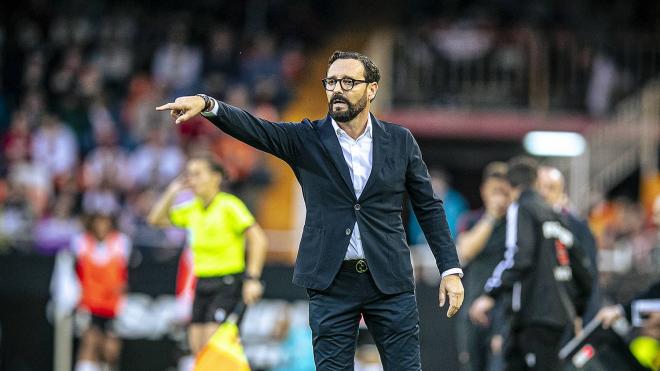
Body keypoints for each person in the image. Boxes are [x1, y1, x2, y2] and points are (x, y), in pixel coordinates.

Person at [156, 50, 464, 370]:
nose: (337, 90)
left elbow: (428, 206)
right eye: (331, 82)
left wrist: (450, 269)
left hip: (390, 278)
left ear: (372, 89)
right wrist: (209, 105)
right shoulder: (307, 138)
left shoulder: (400, 141)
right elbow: (256, 129)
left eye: (348, 82)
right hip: (331, 283)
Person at [469, 157, 592, 371]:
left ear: (509, 186)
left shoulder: (523, 208)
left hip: (534, 315)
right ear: (535, 181)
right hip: (559, 316)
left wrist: (490, 294)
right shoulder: (556, 216)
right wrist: (578, 312)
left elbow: (519, 257)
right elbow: (583, 270)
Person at [147, 156, 268, 356]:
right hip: (202, 283)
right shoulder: (192, 209)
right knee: (198, 350)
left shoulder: (229, 206)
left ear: (216, 177)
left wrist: (252, 279)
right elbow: (155, 220)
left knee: (216, 349)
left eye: (197, 174)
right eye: (189, 175)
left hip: (227, 283)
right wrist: (172, 191)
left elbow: (258, 240)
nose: (192, 180)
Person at [455, 162, 511, 371]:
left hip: (504, 310)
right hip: (472, 306)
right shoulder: (471, 220)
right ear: (484, 190)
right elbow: (466, 251)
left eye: (504, 192)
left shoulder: (516, 224)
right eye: (495, 191)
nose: (500, 198)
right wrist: (491, 217)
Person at [536, 166, 600, 323]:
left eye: (551, 188)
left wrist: (583, 319)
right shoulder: (525, 225)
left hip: (567, 316)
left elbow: (589, 276)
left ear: (561, 192)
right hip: (535, 317)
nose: (544, 194)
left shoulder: (577, 227)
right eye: (539, 187)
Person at [72, 212, 131, 371]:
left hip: (112, 305)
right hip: (90, 303)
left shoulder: (120, 243)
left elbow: (124, 276)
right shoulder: (82, 243)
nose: (102, 227)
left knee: (111, 348)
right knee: (90, 341)